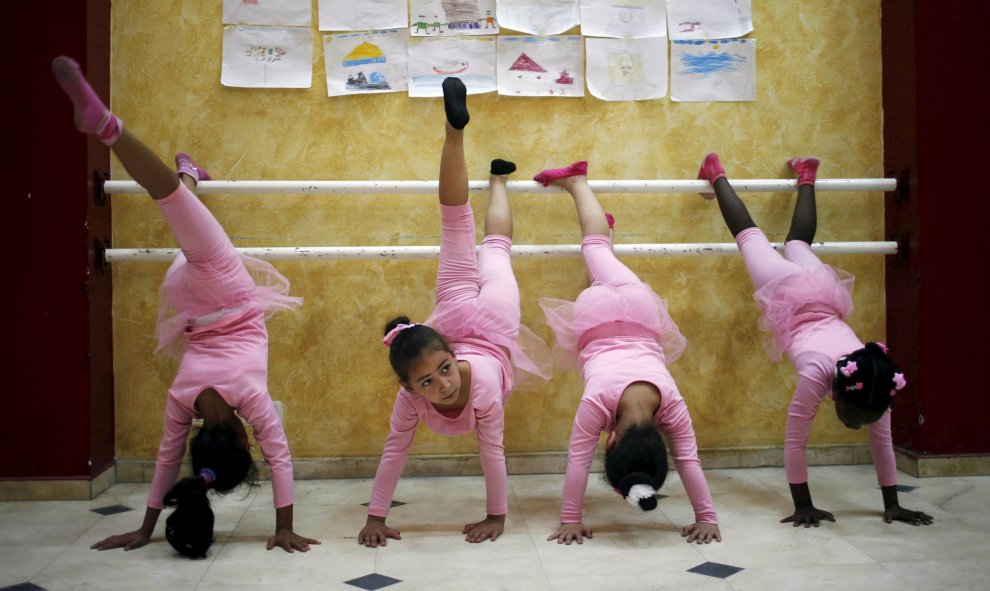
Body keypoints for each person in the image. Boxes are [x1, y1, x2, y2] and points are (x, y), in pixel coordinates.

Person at [51, 56, 319, 556]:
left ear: (244, 441)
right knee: (184, 213)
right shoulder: (181, 398)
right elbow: (165, 460)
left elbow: (280, 459)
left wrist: (284, 525)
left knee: (171, 202)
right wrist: (146, 528)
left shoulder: (252, 397)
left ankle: (107, 127)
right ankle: (190, 172)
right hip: (185, 298)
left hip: (227, 290)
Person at [358, 78, 551, 548]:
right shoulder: (419, 391)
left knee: (485, 240)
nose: (445, 384)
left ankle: (459, 137)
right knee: (467, 231)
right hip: (463, 313)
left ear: (446, 350)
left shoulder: (473, 382)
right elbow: (394, 450)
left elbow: (492, 451)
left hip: (485, 314)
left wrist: (497, 517)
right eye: (429, 383)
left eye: (442, 370)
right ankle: (492, 171)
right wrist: (375, 517)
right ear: (409, 389)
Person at [697, 152, 933, 528]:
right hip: (787, 292)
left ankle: (807, 174)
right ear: (836, 392)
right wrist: (803, 504)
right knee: (749, 235)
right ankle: (716, 173)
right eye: (850, 421)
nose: (855, 429)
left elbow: (881, 442)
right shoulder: (817, 372)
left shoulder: (876, 379)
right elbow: (795, 442)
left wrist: (894, 503)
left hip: (823, 292)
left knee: (798, 245)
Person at [537, 162, 720, 545]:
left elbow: (688, 460)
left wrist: (709, 517)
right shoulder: (597, 402)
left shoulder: (671, 405)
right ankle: (577, 181)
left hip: (640, 311)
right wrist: (570, 519)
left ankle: (606, 227)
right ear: (612, 441)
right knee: (594, 246)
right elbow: (578, 460)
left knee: (601, 256)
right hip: (598, 318)